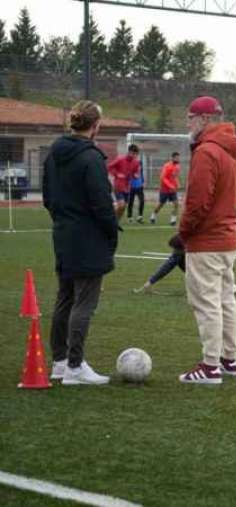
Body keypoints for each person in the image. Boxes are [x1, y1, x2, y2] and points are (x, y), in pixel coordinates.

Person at [42, 100, 117, 385]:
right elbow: (102, 205)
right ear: (96, 126)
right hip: (88, 237)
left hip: (63, 234)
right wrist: (111, 232)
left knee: (65, 298)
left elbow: (48, 197)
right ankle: (74, 366)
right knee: (84, 302)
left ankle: (60, 362)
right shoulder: (91, 158)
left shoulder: (53, 154)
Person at [178, 96, 236, 384]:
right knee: (226, 300)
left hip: (207, 239)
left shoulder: (206, 152)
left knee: (207, 303)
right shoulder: (232, 151)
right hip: (229, 236)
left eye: (191, 117)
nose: (187, 123)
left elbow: (197, 202)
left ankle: (210, 366)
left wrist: (183, 232)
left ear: (204, 119)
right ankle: (229, 360)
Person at [108, 143, 140, 223]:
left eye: (136, 154)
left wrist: (136, 175)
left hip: (127, 187)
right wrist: (116, 174)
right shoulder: (120, 159)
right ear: (129, 152)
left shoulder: (136, 162)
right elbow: (110, 167)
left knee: (123, 207)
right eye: (133, 153)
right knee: (121, 205)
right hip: (118, 185)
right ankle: (110, 221)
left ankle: (115, 222)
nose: (134, 155)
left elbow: (136, 173)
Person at [150, 152, 181, 225]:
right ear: (173, 158)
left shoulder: (178, 166)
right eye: (176, 158)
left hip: (172, 190)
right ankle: (153, 215)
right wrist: (170, 186)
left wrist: (178, 183)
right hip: (165, 189)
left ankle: (173, 220)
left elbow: (175, 176)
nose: (178, 159)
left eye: (178, 158)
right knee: (160, 205)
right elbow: (163, 178)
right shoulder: (167, 166)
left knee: (176, 204)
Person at [127, 157, 145, 223]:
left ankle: (140, 217)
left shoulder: (140, 165)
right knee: (131, 202)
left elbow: (141, 174)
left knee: (142, 201)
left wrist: (143, 182)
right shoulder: (130, 167)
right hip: (131, 186)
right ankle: (129, 217)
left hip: (139, 186)